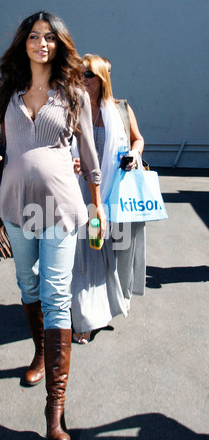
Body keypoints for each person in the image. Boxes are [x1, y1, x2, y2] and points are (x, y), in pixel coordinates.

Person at [0, 13, 106, 440]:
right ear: (24, 44)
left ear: (59, 45)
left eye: (49, 38)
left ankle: (55, 412)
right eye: (34, 37)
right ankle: (39, 350)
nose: (41, 44)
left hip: (61, 209)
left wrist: (97, 204)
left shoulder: (73, 93)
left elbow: (89, 152)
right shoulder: (8, 90)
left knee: (55, 294)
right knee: (26, 283)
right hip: (15, 208)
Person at [71, 54, 145, 344]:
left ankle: (116, 298)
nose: (82, 79)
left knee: (118, 254)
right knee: (89, 255)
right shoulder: (72, 110)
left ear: (102, 78)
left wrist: (134, 154)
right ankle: (86, 317)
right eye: (79, 74)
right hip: (83, 195)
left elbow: (138, 139)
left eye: (88, 74)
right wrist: (71, 161)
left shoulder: (121, 109)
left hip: (116, 193)